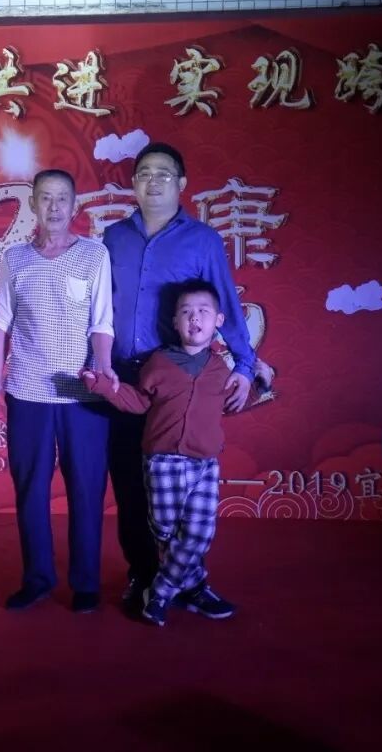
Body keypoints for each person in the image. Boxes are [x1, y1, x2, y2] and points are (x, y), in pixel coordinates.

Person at [102, 142, 257, 608]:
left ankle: (189, 581)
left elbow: (224, 303)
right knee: (131, 485)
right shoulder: (112, 238)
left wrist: (245, 364)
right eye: (145, 173)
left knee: (184, 495)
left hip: (174, 380)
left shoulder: (203, 240)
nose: (154, 182)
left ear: (182, 184)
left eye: (164, 174)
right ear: (133, 183)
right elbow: (94, 307)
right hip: (122, 379)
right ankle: (142, 575)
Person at [83, 279, 260, 626]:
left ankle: (160, 593)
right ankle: (194, 586)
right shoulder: (159, 363)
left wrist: (260, 381)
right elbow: (138, 402)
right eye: (186, 312)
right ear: (175, 322)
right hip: (162, 462)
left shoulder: (220, 369)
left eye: (203, 311)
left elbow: (232, 403)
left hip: (204, 465)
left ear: (218, 321)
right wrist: (103, 386)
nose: (195, 318)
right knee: (165, 532)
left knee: (198, 534)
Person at [0, 169, 114, 614]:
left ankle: (86, 584)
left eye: (62, 198)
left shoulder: (94, 255)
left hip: (82, 394)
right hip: (28, 391)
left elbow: (102, 321)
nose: (54, 207)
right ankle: (37, 579)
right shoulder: (16, 258)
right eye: (45, 198)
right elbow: (1, 319)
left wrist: (104, 370)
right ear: (33, 205)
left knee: (87, 488)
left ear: (74, 205)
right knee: (30, 488)